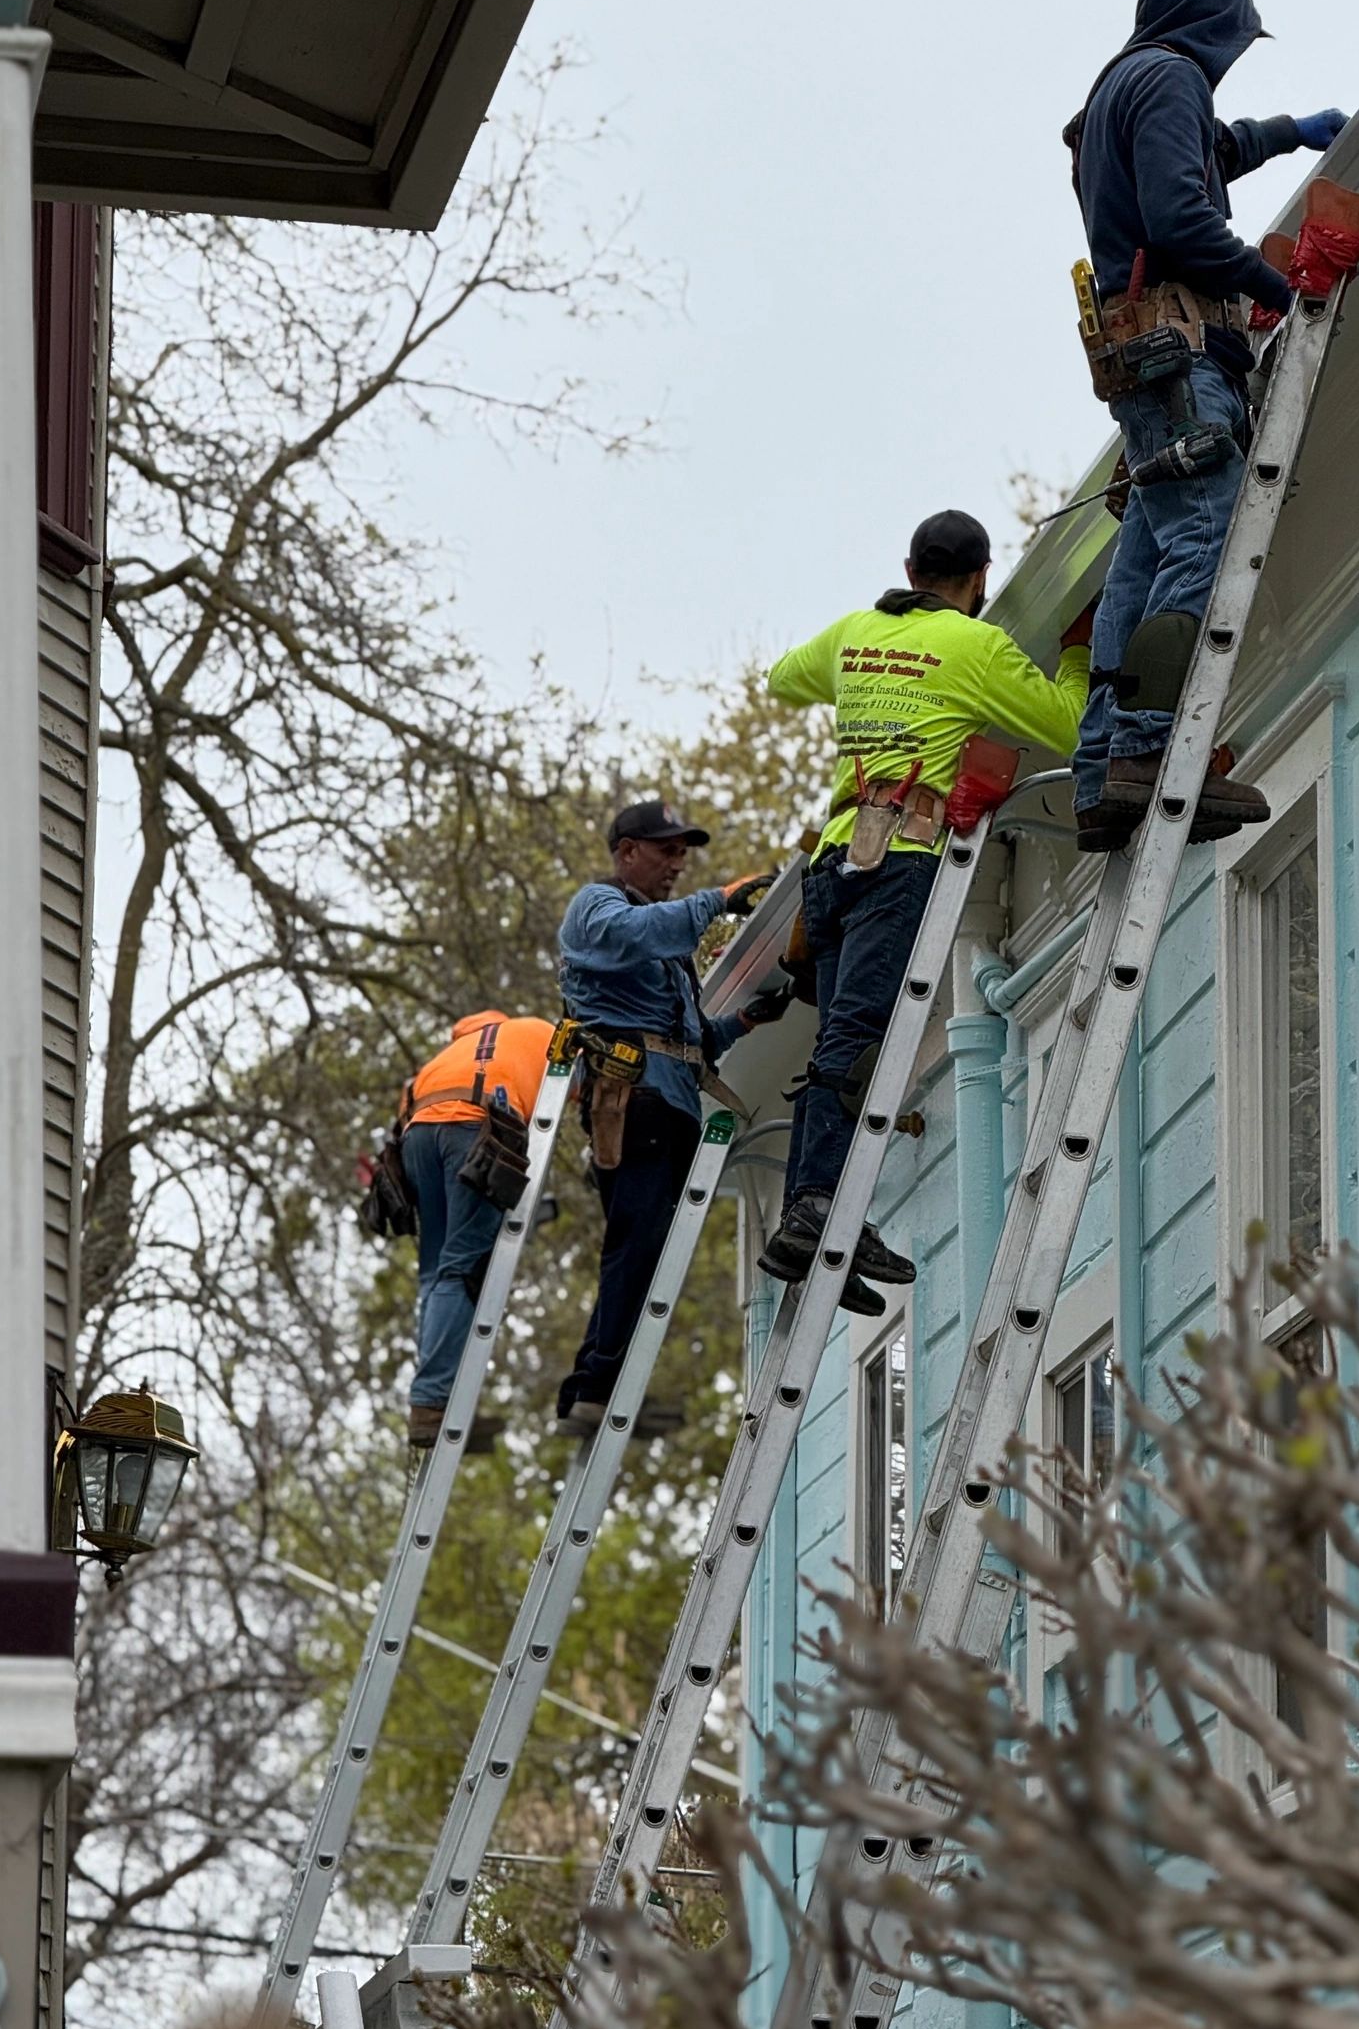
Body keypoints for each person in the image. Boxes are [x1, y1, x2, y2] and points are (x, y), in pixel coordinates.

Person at [762, 509, 1093, 1309]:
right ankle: (817, 1208)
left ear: (909, 570)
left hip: (836, 856)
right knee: (855, 1041)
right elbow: (1069, 726)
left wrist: (868, 674)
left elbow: (779, 679)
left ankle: (819, 1219)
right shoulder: (975, 646)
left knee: (839, 1039)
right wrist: (1078, 652)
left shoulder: (854, 633)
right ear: (980, 579)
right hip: (902, 855)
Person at [1064, 0, 1347, 851]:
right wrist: (1282, 288)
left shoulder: (1123, 89)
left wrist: (1289, 131)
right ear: (1214, 26)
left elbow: (1209, 156)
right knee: (1202, 534)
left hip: (1140, 355)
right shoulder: (1173, 77)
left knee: (1144, 551)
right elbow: (1184, 216)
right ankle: (1148, 748)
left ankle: (1104, 763)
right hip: (1181, 355)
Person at [555, 800, 783, 1436]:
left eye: (685, 852)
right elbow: (639, 934)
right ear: (628, 851)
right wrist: (718, 900)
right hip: (636, 1103)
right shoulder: (598, 907)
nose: (678, 863)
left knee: (639, 1249)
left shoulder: (664, 952)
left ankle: (588, 1389)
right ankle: (597, 1382)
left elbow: (690, 1041)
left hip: (669, 1103)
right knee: (639, 1247)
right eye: (667, 850)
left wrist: (743, 1022)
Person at [401, 1008, 556, 1449]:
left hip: (418, 1138)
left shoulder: (445, 1055)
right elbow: (577, 1087)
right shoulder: (534, 1030)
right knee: (461, 1267)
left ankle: (429, 1388)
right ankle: (430, 1401)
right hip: (473, 1129)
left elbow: (405, 1110)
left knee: (434, 1272)